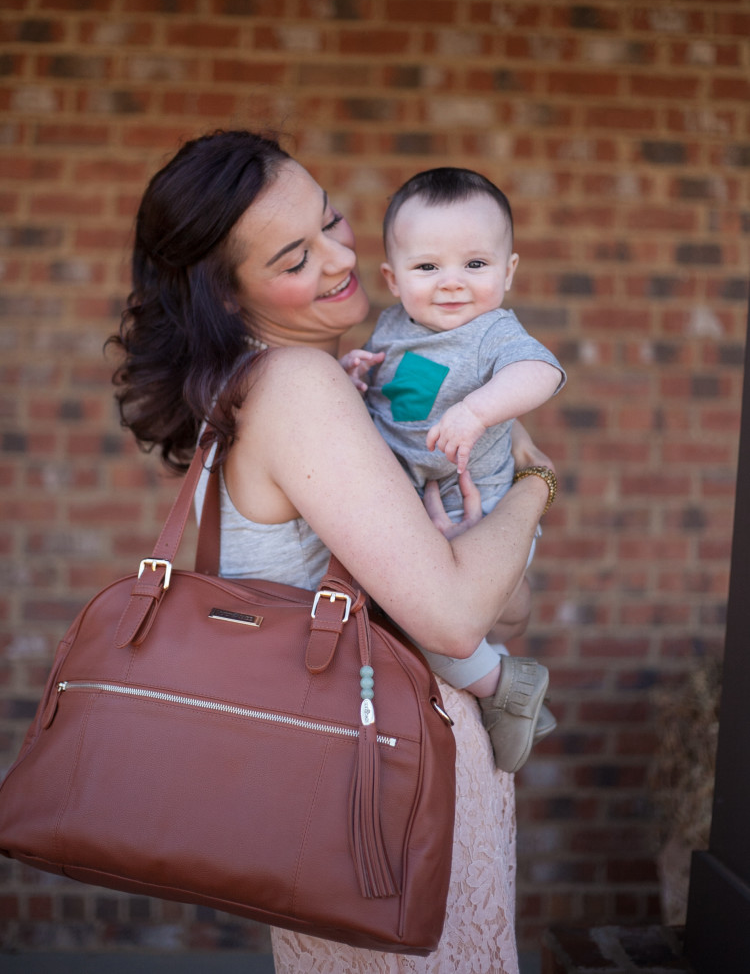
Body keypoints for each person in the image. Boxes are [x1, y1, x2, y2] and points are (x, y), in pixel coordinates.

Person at [110, 129, 557, 974]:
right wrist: (535, 480)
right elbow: (461, 614)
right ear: (227, 292)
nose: (337, 259)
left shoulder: (301, 385)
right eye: (292, 255)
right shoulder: (300, 388)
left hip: (361, 782)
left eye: (332, 221)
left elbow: (506, 601)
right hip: (382, 792)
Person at [341, 167, 565, 773]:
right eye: (427, 267)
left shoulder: (494, 333)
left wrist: (478, 409)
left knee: (423, 619)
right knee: (401, 618)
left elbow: (541, 374)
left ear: (509, 271)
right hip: (417, 504)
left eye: (475, 265)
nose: (452, 285)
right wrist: (353, 377)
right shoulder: (393, 328)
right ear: (392, 278)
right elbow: (394, 407)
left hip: (484, 513)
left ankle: (502, 687)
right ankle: (507, 695)